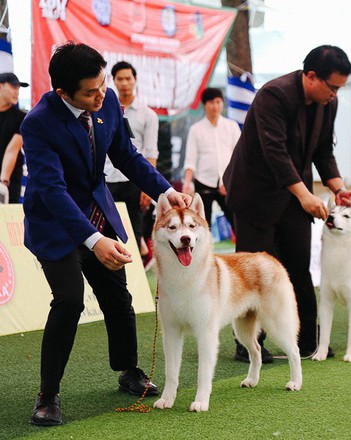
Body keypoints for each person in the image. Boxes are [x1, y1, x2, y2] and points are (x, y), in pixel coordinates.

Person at [21, 42, 191, 427]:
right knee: (68, 301)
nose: (102, 95)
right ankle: (48, 395)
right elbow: (52, 190)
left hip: (98, 212)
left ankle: (129, 370)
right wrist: (94, 241)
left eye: (103, 85)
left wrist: (166, 190)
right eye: (90, 91)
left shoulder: (108, 101)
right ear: (63, 92)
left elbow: (126, 156)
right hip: (55, 222)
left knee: (118, 296)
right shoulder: (38, 123)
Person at [223, 45, 351, 359]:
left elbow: (323, 151)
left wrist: (338, 187)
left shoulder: (328, 104)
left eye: (339, 88)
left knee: (298, 266)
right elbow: (276, 153)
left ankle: (307, 338)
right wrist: (306, 195)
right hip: (255, 192)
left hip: (294, 195)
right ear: (311, 76)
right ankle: (248, 344)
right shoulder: (274, 95)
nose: (335, 94)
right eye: (332, 86)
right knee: (254, 271)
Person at [104, 61, 159, 263]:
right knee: (106, 231)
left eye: (128, 78)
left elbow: (151, 152)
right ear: (113, 81)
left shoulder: (148, 115)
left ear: (135, 80)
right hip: (107, 178)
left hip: (135, 181)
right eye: (120, 79)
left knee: (134, 233)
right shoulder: (104, 110)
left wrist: (148, 187)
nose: (125, 83)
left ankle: (136, 281)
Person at [182, 87, 241, 229]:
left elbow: (239, 157)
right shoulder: (196, 129)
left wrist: (231, 180)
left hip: (227, 182)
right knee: (202, 225)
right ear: (205, 104)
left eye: (218, 102)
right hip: (204, 182)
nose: (215, 106)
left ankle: (243, 251)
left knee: (237, 221)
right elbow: (190, 160)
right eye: (212, 102)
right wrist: (187, 183)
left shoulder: (231, 126)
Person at [0, 72, 28, 203]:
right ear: (1, 86)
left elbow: (12, 150)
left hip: (9, 178)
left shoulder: (20, 117)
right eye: (13, 87)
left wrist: (3, 182)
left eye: (18, 88)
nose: (17, 92)